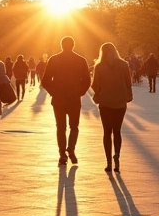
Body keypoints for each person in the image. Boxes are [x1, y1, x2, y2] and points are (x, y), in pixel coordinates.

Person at [41, 36, 91, 166]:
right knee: (74, 126)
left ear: (61, 45)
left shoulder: (54, 60)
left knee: (60, 127)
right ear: (73, 45)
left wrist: (54, 91)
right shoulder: (81, 60)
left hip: (59, 99)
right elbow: (87, 81)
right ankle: (71, 148)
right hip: (74, 99)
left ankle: (62, 154)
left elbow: (45, 80)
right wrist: (79, 92)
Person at [91, 43, 133, 173]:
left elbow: (94, 85)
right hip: (120, 102)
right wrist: (128, 95)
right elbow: (128, 82)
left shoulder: (99, 66)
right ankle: (117, 156)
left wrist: (100, 92)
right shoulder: (124, 65)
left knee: (107, 132)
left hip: (105, 102)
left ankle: (108, 161)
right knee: (117, 131)